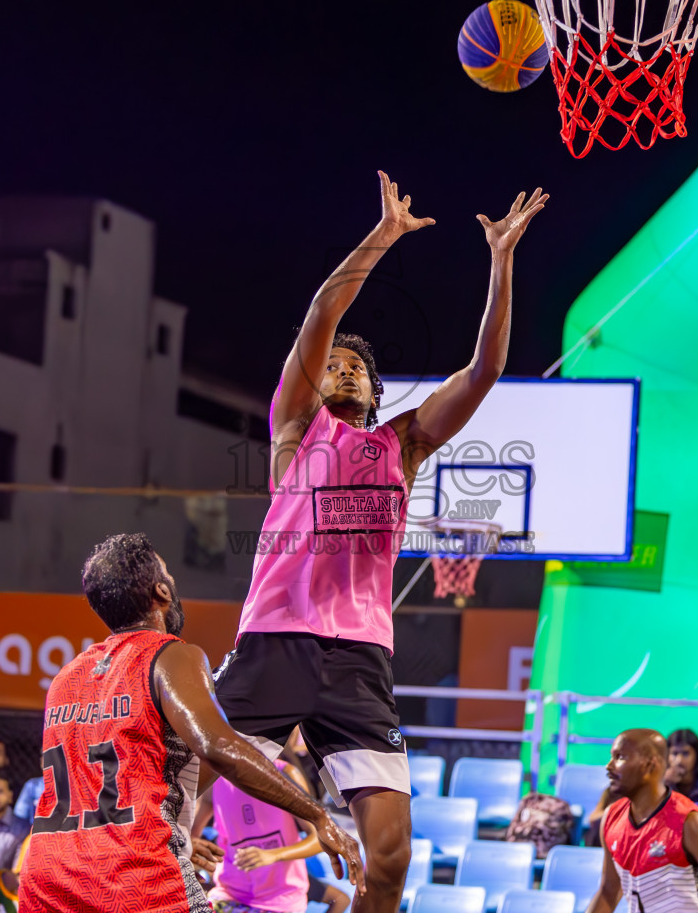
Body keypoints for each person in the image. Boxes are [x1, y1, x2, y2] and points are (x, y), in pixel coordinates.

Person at [214, 172, 548, 912]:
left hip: (360, 657)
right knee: (180, 784)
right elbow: (322, 310)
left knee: (390, 857)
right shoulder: (296, 428)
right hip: (274, 638)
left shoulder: (405, 444)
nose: (338, 369)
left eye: (354, 368)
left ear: (375, 392)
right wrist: (385, 235)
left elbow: (486, 369)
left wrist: (500, 259)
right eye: (330, 363)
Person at [17, 532, 365, 912]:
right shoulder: (169, 655)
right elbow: (219, 747)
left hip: (48, 880)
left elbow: (97, 787)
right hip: (131, 878)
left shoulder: (66, 677)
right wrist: (317, 815)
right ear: (162, 592)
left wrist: (177, 832)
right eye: (168, 574)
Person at [588, 729, 698, 913]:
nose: (609, 766)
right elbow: (608, 892)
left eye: (620, 757)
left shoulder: (693, 824)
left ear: (650, 765)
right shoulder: (611, 816)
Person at [192, 751, 325, 913]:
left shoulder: (284, 774)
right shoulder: (216, 779)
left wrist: (274, 854)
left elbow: (321, 839)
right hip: (229, 893)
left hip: (281, 901)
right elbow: (192, 836)